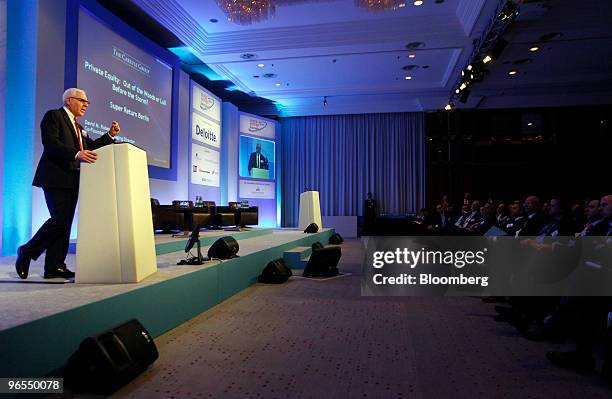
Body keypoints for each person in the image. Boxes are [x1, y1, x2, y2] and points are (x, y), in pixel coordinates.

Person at [15, 88, 120, 279]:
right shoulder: (54, 116)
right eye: (82, 101)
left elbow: (89, 148)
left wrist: (109, 136)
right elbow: (50, 142)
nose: (86, 105)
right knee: (59, 220)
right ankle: (27, 251)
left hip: (72, 179)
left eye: (87, 102)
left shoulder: (78, 127)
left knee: (65, 224)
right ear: (69, 100)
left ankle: (55, 266)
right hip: (55, 177)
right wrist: (75, 154)